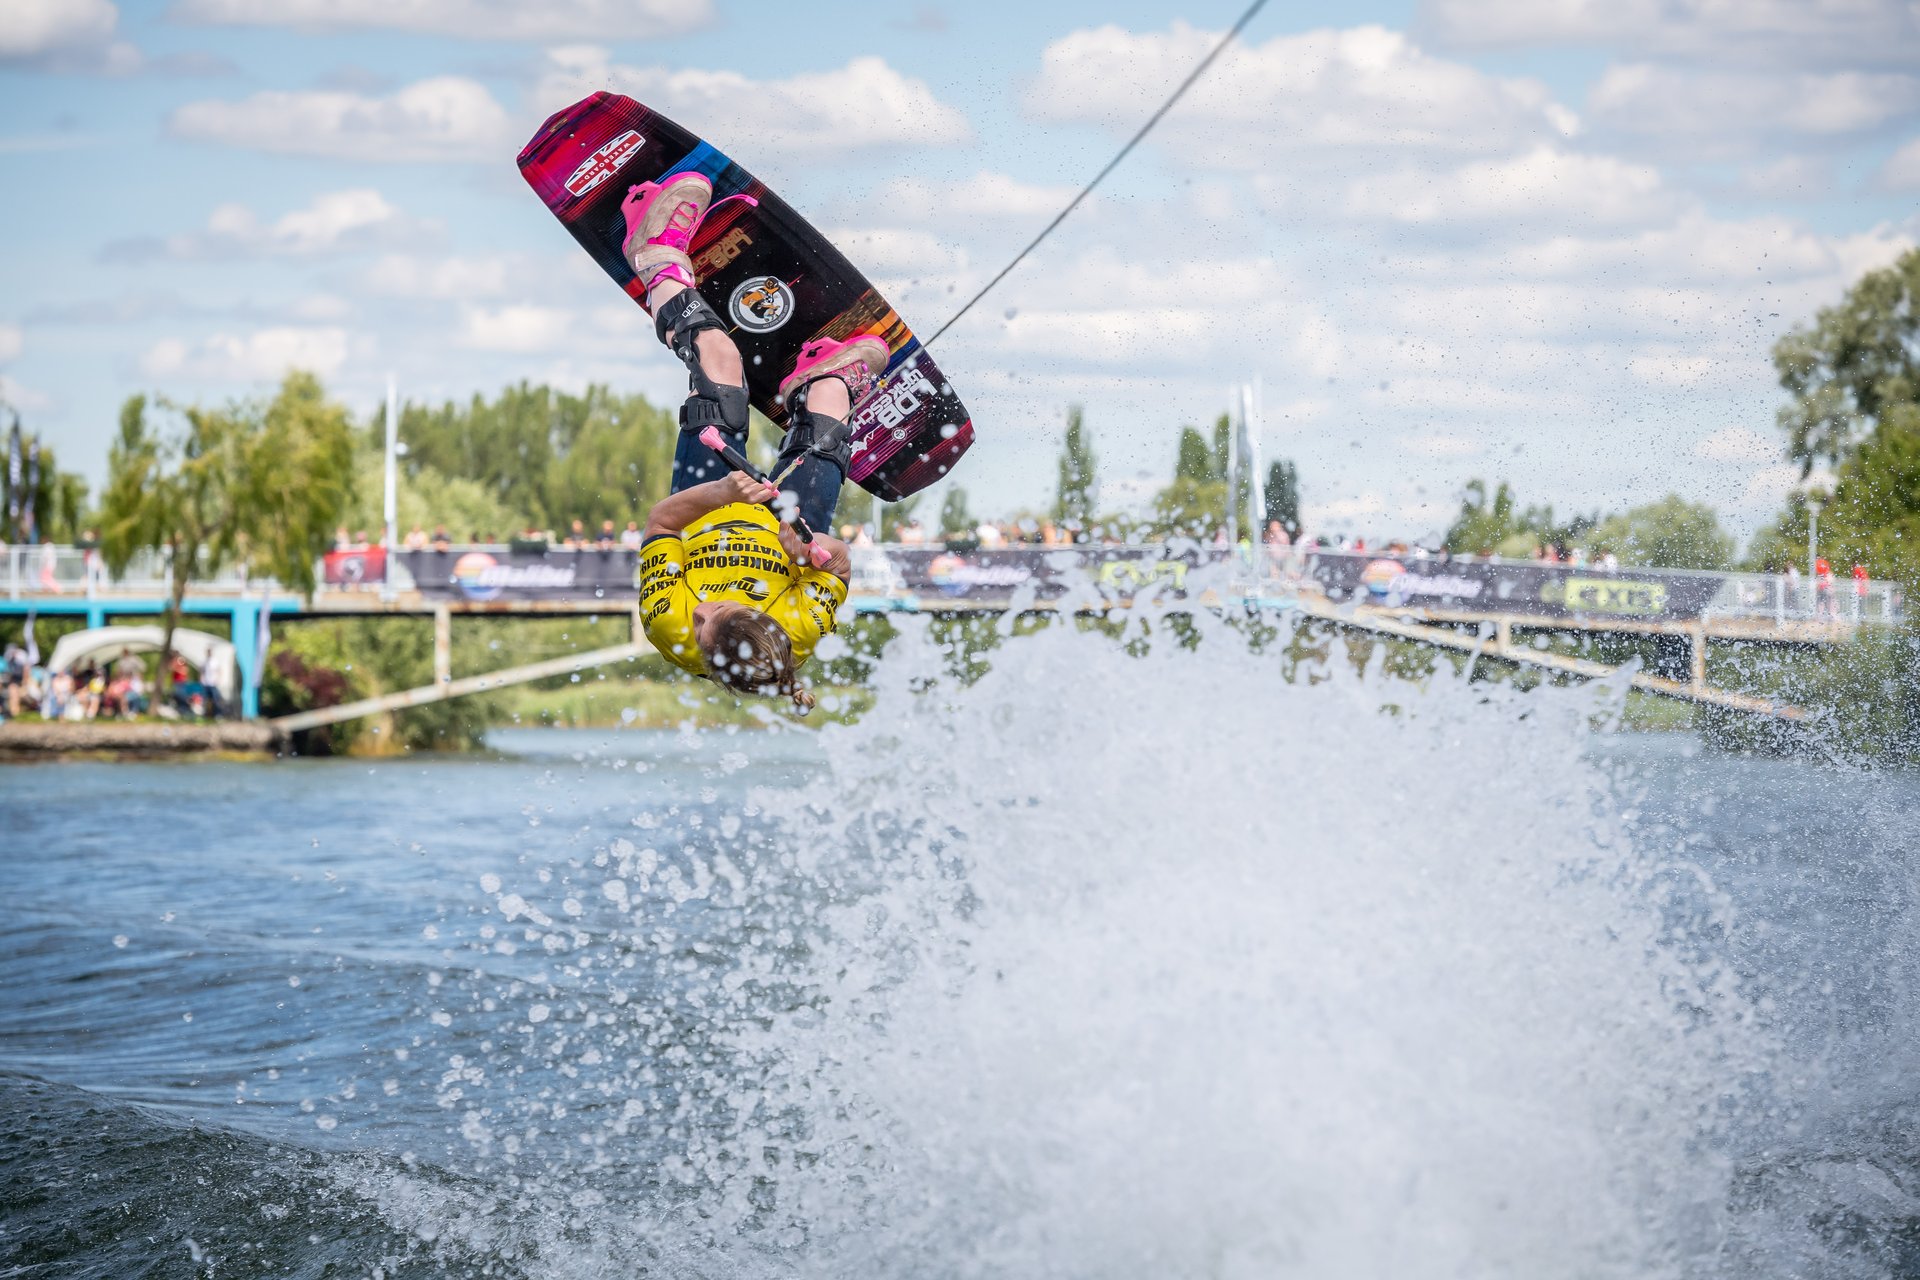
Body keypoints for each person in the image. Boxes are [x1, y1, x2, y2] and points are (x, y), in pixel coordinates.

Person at [625, 172, 882, 710]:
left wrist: (720, 495)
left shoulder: (668, 627)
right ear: (764, 616)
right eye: (713, 612)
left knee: (723, 367)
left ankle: (654, 257)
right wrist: (813, 550)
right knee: (832, 408)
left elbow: (661, 524)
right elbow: (840, 562)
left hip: (704, 506)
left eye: (701, 628)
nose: (698, 612)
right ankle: (817, 379)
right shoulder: (801, 628)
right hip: (791, 520)